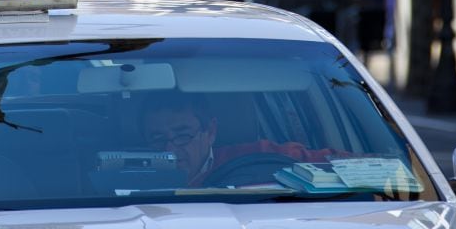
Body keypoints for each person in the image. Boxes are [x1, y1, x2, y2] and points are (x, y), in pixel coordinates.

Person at [141, 91, 338, 186]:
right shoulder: (127, 178)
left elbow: (352, 165)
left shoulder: (262, 156)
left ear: (210, 132)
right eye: (158, 139)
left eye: (183, 135)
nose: (170, 151)